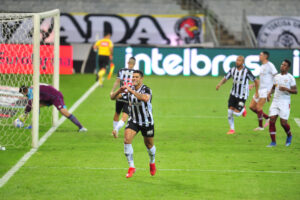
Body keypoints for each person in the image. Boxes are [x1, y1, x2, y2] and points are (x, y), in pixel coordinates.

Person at [110, 70, 156, 178]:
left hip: (146, 122)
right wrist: (119, 90)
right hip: (134, 120)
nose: (134, 79)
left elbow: (145, 98)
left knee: (149, 145)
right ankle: (132, 167)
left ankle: (152, 162)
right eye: (133, 77)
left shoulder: (146, 89)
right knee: (126, 140)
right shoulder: (128, 89)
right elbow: (112, 98)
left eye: (136, 77)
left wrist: (131, 91)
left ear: (141, 79)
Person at [216, 56, 259, 134]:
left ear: (242, 62)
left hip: (242, 95)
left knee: (236, 113)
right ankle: (232, 129)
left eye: (239, 60)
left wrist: (256, 92)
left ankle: (243, 109)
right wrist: (219, 84)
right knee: (229, 112)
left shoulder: (246, 71)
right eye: (236, 60)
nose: (237, 62)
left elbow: (256, 81)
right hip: (233, 94)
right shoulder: (232, 70)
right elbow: (226, 78)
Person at [19, 84, 87, 132]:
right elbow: (49, 85)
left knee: (64, 112)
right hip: (49, 98)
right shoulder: (33, 87)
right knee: (35, 106)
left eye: (23, 93)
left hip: (56, 97)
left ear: (25, 90)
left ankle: (81, 127)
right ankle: (33, 125)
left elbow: (29, 104)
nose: (24, 95)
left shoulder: (31, 91)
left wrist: (25, 113)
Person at [266, 59, 297, 147]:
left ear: (288, 67)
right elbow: (273, 87)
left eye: (284, 65)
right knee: (272, 120)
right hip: (275, 101)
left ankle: (289, 135)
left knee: (283, 123)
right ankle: (273, 142)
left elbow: (295, 91)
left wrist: (286, 89)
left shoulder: (291, 78)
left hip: (285, 102)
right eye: (282, 64)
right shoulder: (276, 77)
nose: (282, 66)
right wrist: (269, 94)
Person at [249, 51, 278, 131]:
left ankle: (260, 127)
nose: (259, 56)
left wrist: (271, 92)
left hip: (266, 90)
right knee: (251, 107)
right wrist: (254, 85)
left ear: (265, 56)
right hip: (260, 89)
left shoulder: (270, 65)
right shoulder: (262, 66)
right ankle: (267, 118)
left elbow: (276, 77)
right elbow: (262, 80)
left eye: (260, 55)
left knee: (258, 107)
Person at [110, 57, 136, 138]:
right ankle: (116, 130)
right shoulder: (136, 73)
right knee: (124, 117)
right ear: (134, 64)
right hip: (128, 97)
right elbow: (136, 85)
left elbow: (117, 81)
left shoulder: (121, 70)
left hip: (120, 95)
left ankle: (114, 130)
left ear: (128, 63)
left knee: (117, 113)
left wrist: (112, 91)